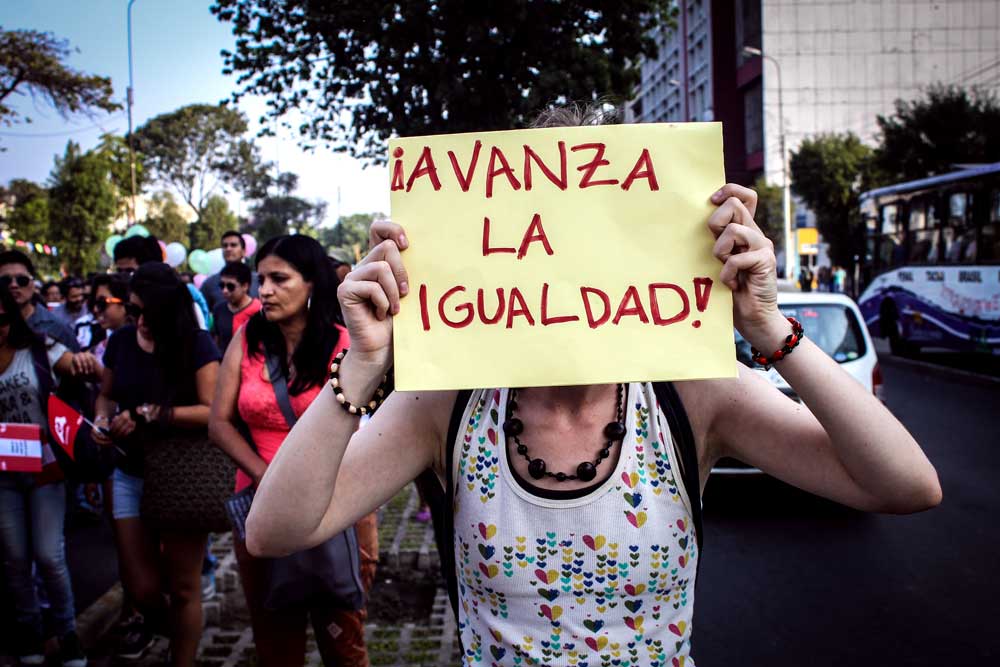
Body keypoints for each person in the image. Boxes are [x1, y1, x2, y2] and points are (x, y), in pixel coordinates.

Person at [242, 115, 942, 665]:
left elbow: (905, 484)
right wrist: (362, 367)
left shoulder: (694, 393)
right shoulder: (448, 402)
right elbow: (275, 530)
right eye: (546, 234)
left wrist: (769, 327)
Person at [209, 235, 377, 667]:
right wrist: (270, 478)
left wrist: (300, 487)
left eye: (278, 279)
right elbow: (219, 422)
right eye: (260, 278)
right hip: (259, 503)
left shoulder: (347, 344)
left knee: (343, 638)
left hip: (339, 506)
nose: (263, 290)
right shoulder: (247, 339)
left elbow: (363, 428)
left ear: (311, 284)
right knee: (274, 639)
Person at [92, 263, 221, 667]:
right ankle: (173, 627)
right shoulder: (122, 342)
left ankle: (181, 658)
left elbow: (212, 411)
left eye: (148, 312)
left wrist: (156, 413)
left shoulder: (196, 344)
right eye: (133, 311)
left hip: (182, 475)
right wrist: (101, 419)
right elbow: (106, 396)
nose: (140, 320)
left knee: (184, 588)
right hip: (129, 472)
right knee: (140, 586)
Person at [0, 288, 88, 667]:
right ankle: (30, 633)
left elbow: (81, 368)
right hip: (3, 475)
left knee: (49, 555)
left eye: (2, 320)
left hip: (45, 465)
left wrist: (88, 363)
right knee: (15, 559)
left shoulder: (38, 347)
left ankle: (67, 634)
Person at [114, 236, 211, 329]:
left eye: (130, 272)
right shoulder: (118, 308)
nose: (124, 278)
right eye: (119, 272)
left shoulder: (182, 303)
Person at [0, 250, 83, 354]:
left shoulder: (58, 328)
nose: (14, 285)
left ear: (33, 283)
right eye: (5, 280)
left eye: (22, 280)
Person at [210, 261, 261, 354]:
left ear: (245, 286)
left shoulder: (259, 311)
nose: (225, 291)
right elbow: (216, 342)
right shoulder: (219, 309)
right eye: (222, 286)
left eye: (230, 286)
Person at [200, 231, 259, 310]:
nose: (228, 249)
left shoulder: (258, 280)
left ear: (244, 251)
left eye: (233, 245)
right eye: (225, 246)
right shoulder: (209, 283)